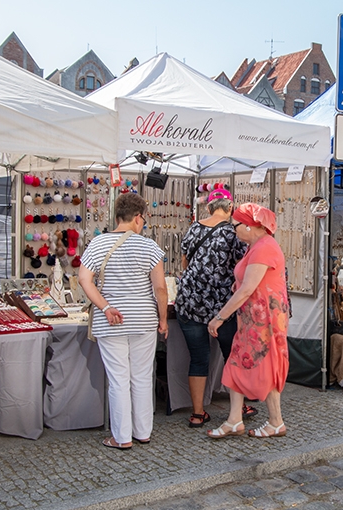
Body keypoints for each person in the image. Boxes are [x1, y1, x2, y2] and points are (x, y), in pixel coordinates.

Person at [79, 192, 167, 449]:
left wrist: (105, 306)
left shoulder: (97, 244)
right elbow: (160, 288)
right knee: (141, 377)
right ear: (138, 218)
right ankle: (143, 432)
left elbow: (85, 280)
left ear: (117, 216)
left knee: (118, 379)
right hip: (143, 319)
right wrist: (163, 320)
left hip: (112, 320)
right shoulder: (149, 246)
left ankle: (122, 437)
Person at [206, 203, 290, 439]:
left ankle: (276, 421)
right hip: (252, 319)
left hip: (265, 321)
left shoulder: (264, 247)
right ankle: (235, 420)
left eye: (236, 226)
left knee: (267, 365)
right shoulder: (255, 247)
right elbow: (246, 285)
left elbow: (246, 289)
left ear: (250, 225)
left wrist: (219, 318)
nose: (234, 231)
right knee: (236, 362)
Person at [175, 188, 254, 428]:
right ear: (230, 208)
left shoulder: (194, 228)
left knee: (198, 358)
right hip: (221, 308)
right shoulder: (233, 233)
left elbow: (184, 262)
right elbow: (241, 268)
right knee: (231, 356)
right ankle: (238, 407)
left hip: (189, 303)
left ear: (208, 207)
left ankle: (198, 413)